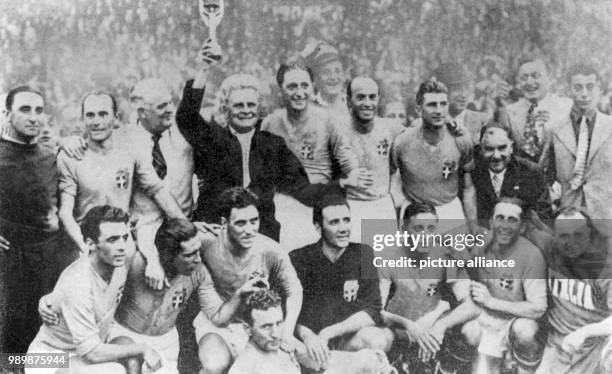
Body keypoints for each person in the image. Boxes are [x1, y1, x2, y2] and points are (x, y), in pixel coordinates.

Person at [175, 40, 324, 241]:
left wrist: (337, 191)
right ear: (226, 108)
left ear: (258, 106)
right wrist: (205, 68)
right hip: (216, 231)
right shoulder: (211, 139)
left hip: (261, 234)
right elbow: (186, 117)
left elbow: (301, 187)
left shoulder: (273, 144)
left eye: (251, 104)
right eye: (238, 105)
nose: (246, 110)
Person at [27, 205, 161, 374]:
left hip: (87, 348)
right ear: (90, 243)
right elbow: (91, 353)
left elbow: (145, 229)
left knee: (128, 347)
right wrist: (142, 347)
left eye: (124, 237)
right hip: (49, 358)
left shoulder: (121, 257)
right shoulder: (77, 283)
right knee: (115, 370)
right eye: (112, 239)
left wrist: (154, 261)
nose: (122, 246)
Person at [190, 187, 302, 374]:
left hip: (256, 326)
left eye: (254, 221)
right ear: (224, 223)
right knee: (213, 364)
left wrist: (288, 331)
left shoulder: (269, 249)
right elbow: (171, 237)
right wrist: (191, 226)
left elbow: (294, 289)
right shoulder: (207, 242)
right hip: (217, 322)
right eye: (241, 223)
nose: (250, 230)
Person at [57, 91, 187, 254]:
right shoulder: (71, 156)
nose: (97, 122)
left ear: (115, 117)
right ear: (83, 120)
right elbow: (65, 213)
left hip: (122, 241)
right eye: (90, 116)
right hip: (86, 242)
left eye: (103, 114)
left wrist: (186, 226)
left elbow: (157, 190)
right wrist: (85, 246)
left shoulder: (130, 150)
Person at [0, 86, 76, 353]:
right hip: (12, 260)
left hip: (51, 255)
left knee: (49, 332)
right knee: (14, 336)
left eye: (39, 110)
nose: (34, 117)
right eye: (25, 109)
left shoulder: (49, 153)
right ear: (7, 114)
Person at [262, 62, 362, 250]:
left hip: (319, 201)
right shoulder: (270, 123)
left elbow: (346, 155)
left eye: (304, 85)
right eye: (292, 86)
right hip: (284, 203)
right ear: (281, 89)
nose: (299, 92)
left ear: (312, 87)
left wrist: (354, 173)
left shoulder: (327, 120)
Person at [290, 193, 391, 371]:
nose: (343, 228)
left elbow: (372, 309)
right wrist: (308, 336)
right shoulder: (299, 258)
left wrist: (329, 332)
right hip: (311, 344)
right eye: (334, 222)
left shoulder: (363, 254)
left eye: (346, 220)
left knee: (378, 339)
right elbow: (287, 310)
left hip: (345, 340)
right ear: (318, 227)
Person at [378, 202, 478, 374]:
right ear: (403, 230)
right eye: (418, 228)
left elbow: (471, 306)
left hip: (435, 330)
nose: (425, 235)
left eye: (431, 228)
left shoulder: (447, 254)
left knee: (474, 329)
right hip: (402, 331)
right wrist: (409, 326)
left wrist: (441, 324)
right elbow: (376, 312)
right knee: (377, 339)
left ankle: (444, 365)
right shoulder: (387, 258)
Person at [466, 197, 547, 374]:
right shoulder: (484, 244)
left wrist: (491, 302)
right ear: (491, 221)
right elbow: (463, 270)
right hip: (486, 320)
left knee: (526, 331)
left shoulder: (531, 256)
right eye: (499, 218)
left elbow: (538, 309)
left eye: (512, 220)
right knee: (468, 330)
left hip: (514, 322)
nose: (504, 225)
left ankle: (522, 366)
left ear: (523, 227)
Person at [391, 79, 478, 233]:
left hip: (449, 209)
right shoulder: (402, 142)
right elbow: (390, 180)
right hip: (415, 212)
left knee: (458, 257)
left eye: (443, 104)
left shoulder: (461, 139)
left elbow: (469, 187)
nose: (439, 110)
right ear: (419, 109)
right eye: (431, 105)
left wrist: (474, 227)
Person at [535, 207, 612, 374]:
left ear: (589, 233)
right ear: (555, 236)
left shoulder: (605, 268)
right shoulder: (551, 249)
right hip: (557, 345)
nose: (572, 242)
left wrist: (586, 332)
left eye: (578, 234)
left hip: (593, 345)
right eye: (564, 236)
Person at [552, 63, 612, 235]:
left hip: (606, 219)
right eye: (578, 87)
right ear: (569, 90)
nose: (584, 94)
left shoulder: (610, 126)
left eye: (590, 87)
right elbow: (545, 175)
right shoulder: (555, 130)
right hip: (569, 219)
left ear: (599, 89)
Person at [343, 76, 404, 242]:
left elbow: (420, 132)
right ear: (349, 101)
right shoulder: (337, 131)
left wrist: (450, 125)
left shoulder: (390, 128)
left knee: (385, 266)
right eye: (361, 97)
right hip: (350, 206)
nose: (367, 103)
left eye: (372, 97)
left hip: (381, 206)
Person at [472, 124, 552, 223]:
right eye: (489, 149)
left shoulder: (531, 172)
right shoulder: (472, 173)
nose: (496, 156)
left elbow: (544, 216)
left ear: (511, 147)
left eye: (502, 148)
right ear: (480, 149)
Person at [506, 58, 572, 174]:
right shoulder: (510, 111)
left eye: (535, 76)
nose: (530, 82)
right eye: (524, 78)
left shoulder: (566, 107)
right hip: (523, 183)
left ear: (548, 78)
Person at [413, 63, 492, 145]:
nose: (463, 95)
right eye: (457, 89)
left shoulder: (483, 121)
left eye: (466, 88)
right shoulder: (425, 124)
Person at [228, 290, 301, 374]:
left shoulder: (283, 349)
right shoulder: (244, 367)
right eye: (266, 327)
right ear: (247, 329)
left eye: (279, 323)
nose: (275, 334)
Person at [301, 41, 350, 122]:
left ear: (344, 76)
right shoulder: (308, 109)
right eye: (326, 72)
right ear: (316, 79)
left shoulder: (354, 106)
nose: (333, 77)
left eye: (338, 71)